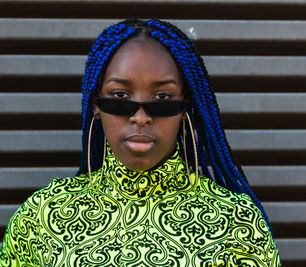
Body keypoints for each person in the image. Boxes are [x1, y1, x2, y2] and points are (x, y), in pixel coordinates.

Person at [0, 18, 281, 266]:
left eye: (162, 100)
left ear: (186, 107)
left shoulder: (237, 221)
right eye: (120, 98)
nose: (141, 117)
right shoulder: (42, 216)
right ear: (96, 104)